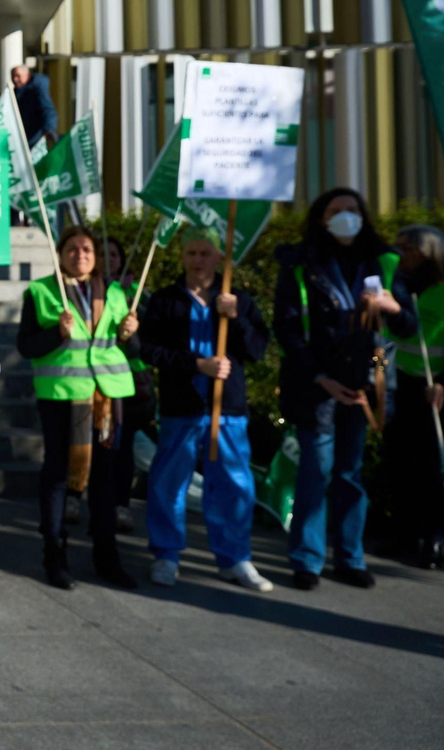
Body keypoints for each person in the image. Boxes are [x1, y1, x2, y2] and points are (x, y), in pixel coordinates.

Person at [274, 187, 416, 590]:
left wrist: (392, 308)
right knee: (315, 471)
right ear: (321, 219)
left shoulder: (384, 261)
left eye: (352, 209)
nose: (345, 216)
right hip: (317, 383)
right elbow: (287, 328)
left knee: (350, 473)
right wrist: (322, 378)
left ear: (363, 215)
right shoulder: (300, 263)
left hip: (365, 382)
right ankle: (307, 559)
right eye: (336, 210)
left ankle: (350, 557)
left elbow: (407, 326)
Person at [138, 227, 273, 591]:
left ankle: (235, 558)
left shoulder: (237, 299)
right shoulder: (166, 300)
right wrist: (196, 365)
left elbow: (257, 350)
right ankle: (166, 554)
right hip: (181, 408)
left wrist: (236, 316)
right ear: (182, 256)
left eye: (205, 253)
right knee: (169, 484)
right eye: (191, 253)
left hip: (227, 409)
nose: (198, 260)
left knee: (234, 484)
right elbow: (149, 349)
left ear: (219, 257)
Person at [17, 225, 140, 590]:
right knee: (57, 475)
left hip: (107, 398)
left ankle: (107, 557)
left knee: (105, 478)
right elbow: (26, 346)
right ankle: (55, 556)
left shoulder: (115, 292)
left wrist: (130, 334)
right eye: (72, 248)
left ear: (95, 256)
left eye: (86, 249)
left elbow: (133, 350)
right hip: (62, 397)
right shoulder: (41, 291)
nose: (80, 254)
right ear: (60, 254)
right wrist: (57, 332)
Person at [386, 223, 444, 569]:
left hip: (433, 387)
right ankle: (404, 534)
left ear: (429, 253)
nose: (401, 255)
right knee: (400, 461)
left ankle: (436, 538)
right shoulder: (398, 286)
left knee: (432, 466)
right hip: (399, 382)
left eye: (408, 248)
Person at [103, 238, 152, 535]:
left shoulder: (137, 293)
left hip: (130, 384)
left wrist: (131, 333)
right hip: (94, 380)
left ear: (122, 259)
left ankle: (121, 505)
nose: (108, 258)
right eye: (103, 253)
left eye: (113, 253)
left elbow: (150, 341)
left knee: (123, 449)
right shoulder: (87, 291)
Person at [11, 64, 58, 146]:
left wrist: (49, 129)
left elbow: (47, 108)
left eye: (18, 76)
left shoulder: (37, 89)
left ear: (27, 76)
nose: (15, 79)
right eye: (13, 76)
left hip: (34, 137)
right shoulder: (16, 92)